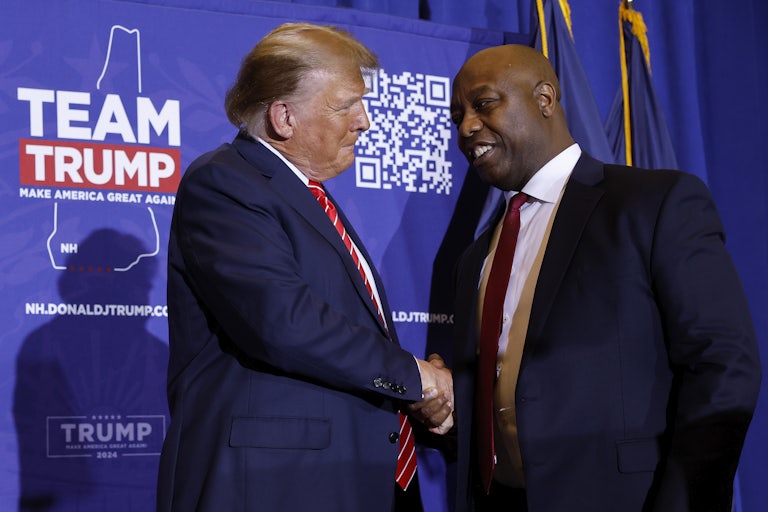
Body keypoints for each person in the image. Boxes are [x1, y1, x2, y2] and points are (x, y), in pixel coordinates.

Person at [445, 43, 762, 511]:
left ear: (544, 99)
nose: (467, 127)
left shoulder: (654, 204)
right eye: (458, 116)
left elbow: (723, 365)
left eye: (484, 104)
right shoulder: (476, 256)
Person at [156, 23, 454, 512]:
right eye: (346, 105)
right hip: (276, 487)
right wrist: (412, 376)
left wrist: (413, 395)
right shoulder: (226, 183)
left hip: (351, 476)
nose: (364, 121)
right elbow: (283, 322)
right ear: (284, 117)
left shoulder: (305, 197)